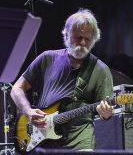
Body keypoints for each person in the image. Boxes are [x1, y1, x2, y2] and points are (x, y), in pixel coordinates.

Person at [10, 8, 114, 151]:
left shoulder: (101, 70)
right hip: (43, 141)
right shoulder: (47, 58)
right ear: (66, 35)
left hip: (80, 143)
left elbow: (106, 113)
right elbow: (16, 88)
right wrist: (28, 111)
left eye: (88, 39)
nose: (83, 42)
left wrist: (106, 114)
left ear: (94, 40)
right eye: (78, 37)